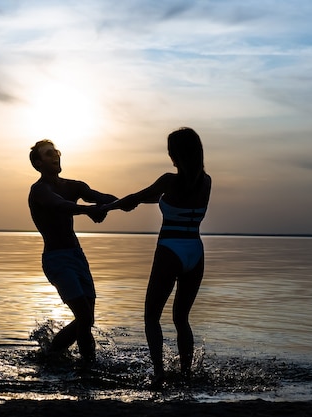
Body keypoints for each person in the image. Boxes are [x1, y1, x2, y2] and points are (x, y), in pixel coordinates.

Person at [103, 127, 212, 388]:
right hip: (195, 250)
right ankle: (186, 374)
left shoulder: (168, 180)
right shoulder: (205, 181)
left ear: (175, 155)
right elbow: (166, 198)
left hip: (170, 249)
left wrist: (106, 207)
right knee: (181, 318)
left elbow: (137, 197)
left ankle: (159, 373)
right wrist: (143, 200)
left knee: (151, 316)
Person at [28, 139, 117, 364]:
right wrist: (88, 211)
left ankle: (85, 365)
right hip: (56, 259)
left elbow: (100, 197)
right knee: (84, 317)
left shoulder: (73, 186)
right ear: (38, 163)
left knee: (87, 320)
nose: (55, 156)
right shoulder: (39, 190)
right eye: (49, 154)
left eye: (56, 152)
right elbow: (59, 205)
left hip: (77, 256)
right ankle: (51, 357)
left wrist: (124, 202)